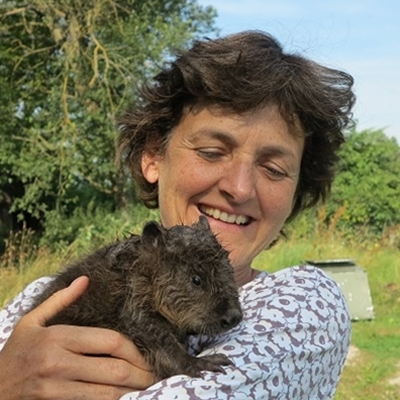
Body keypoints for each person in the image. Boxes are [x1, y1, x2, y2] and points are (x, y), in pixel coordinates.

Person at [0, 30, 355, 399]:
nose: (240, 188)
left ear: (296, 193)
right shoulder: (44, 295)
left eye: (274, 169)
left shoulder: (303, 307)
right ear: (153, 156)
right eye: (211, 152)